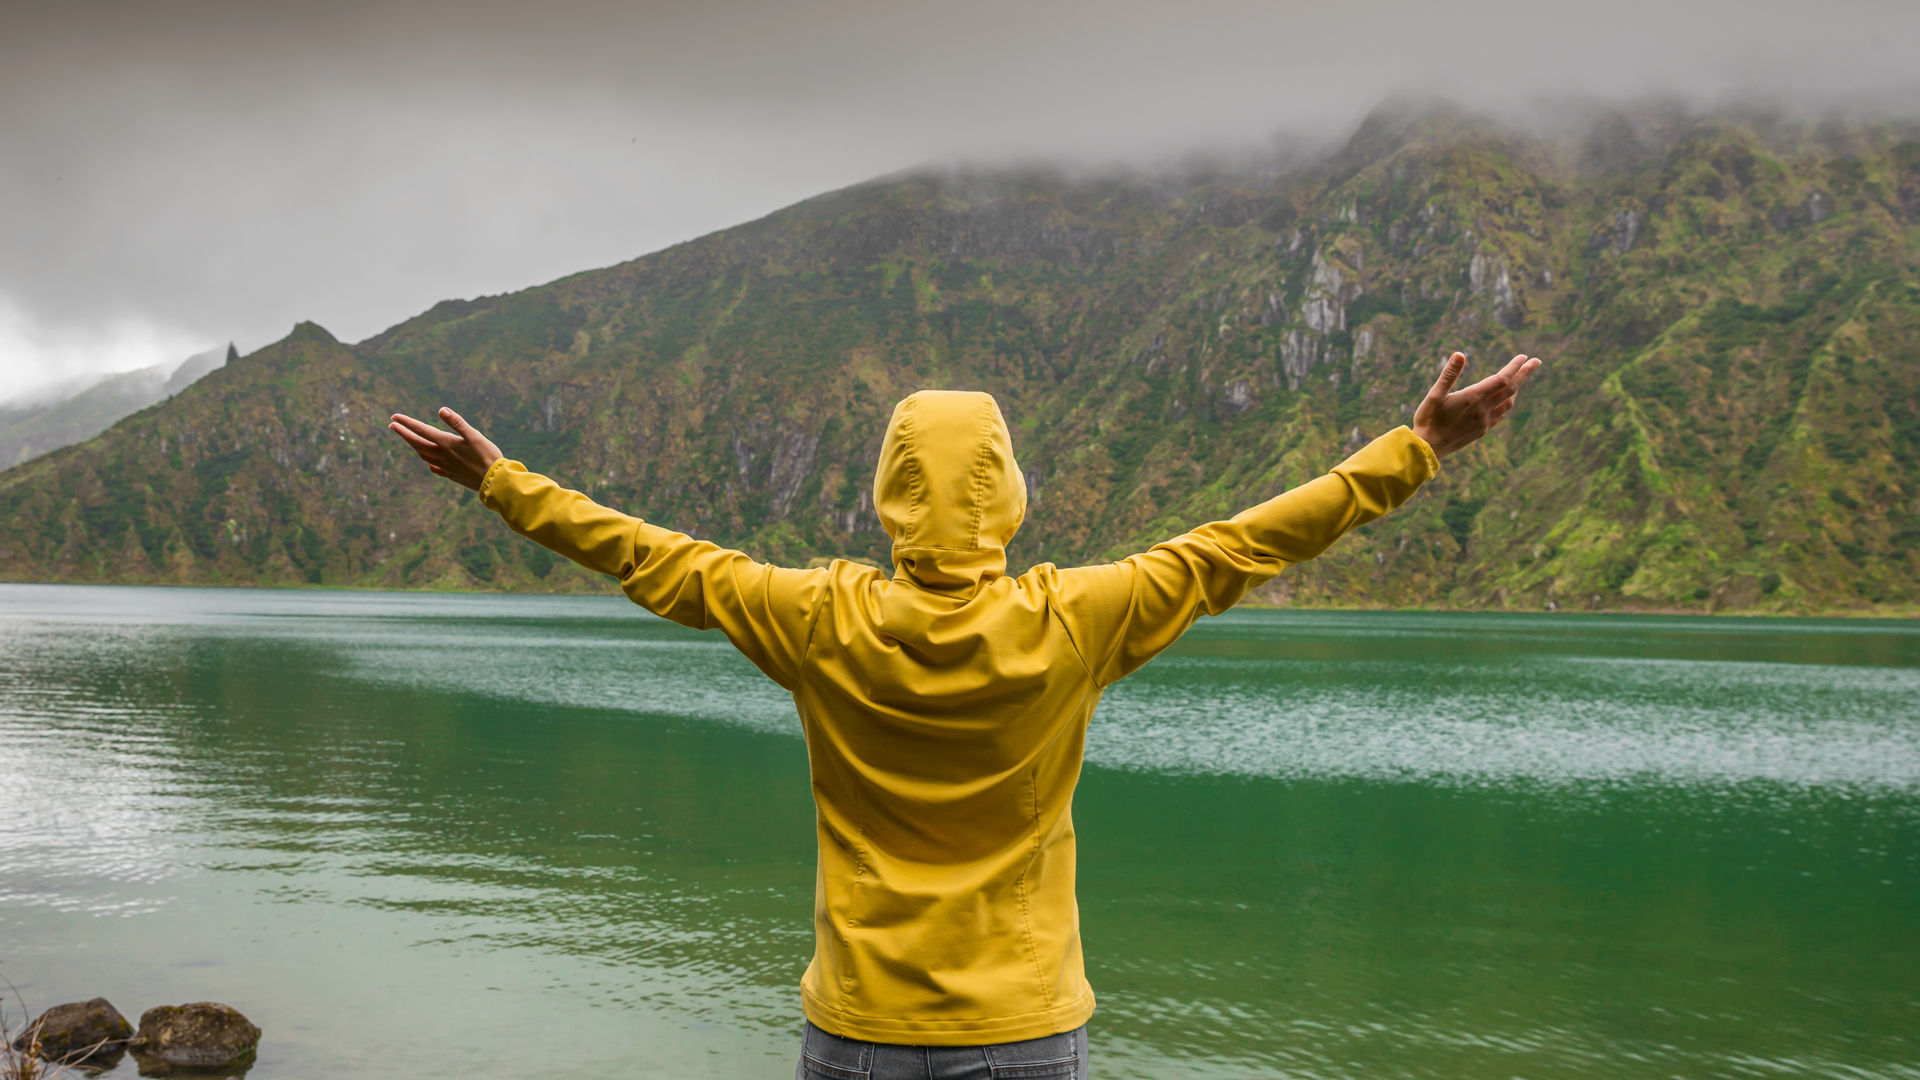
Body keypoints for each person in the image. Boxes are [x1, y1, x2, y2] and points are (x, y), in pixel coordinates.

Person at [389, 349, 1541, 1079]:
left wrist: (503, 484)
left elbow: (654, 559)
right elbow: (1247, 542)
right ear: (1011, 492)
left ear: (890, 491)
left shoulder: (814, 616)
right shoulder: (1081, 618)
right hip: (1024, 1034)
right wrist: (1419, 447)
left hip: (854, 1031)